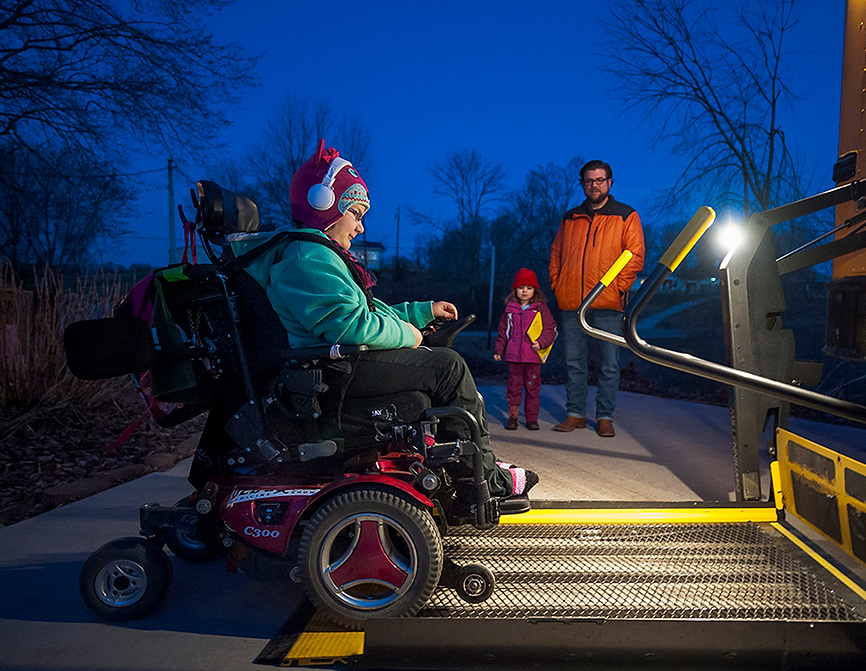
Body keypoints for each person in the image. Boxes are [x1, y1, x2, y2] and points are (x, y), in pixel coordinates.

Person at [236, 139, 537, 500]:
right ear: (323, 204)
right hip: (332, 375)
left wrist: (422, 313)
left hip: (339, 365)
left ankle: (472, 461)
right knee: (448, 368)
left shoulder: (317, 255)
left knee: (437, 363)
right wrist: (411, 336)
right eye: (357, 214)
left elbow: (368, 311)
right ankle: (480, 478)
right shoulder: (306, 259)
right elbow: (350, 327)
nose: (361, 228)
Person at [548, 159, 645, 438]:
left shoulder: (626, 215)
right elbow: (556, 255)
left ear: (610, 183)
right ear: (583, 184)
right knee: (573, 362)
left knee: (610, 364)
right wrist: (558, 285)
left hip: (607, 304)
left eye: (600, 180)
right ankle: (575, 414)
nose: (595, 185)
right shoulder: (570, 218)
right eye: (589, 181)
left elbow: (635, 256)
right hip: (571, 304)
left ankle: (604, 417)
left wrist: (617, 289)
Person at [493, 268, 557, 431]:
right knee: (513, 387)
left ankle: (532, 418)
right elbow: (503, 332)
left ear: (534, 290)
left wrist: (541, 343)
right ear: (515, 289)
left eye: (528, 288)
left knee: (532, 388)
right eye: (521, 288)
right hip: (514, 356)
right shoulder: (510, 310)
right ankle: (513, 416)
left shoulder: (540, 309)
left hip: (533, 355)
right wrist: (499, 350)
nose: (524, 291)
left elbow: (550, 328)